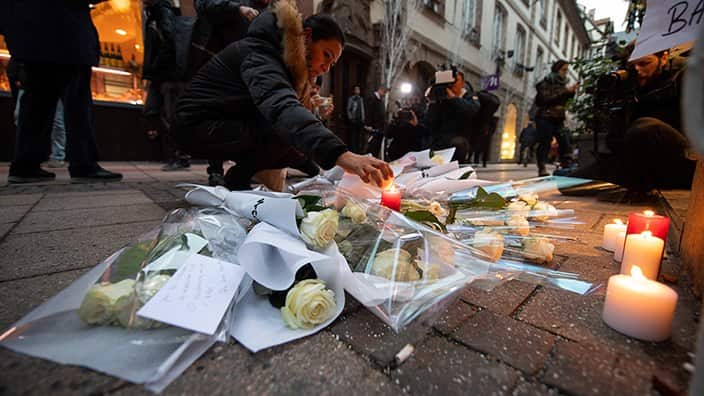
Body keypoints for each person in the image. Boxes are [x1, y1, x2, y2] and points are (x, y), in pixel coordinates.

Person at [171, 1, 392, 190]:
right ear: (306, 37)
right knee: (283, 131)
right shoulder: (263, 53)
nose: (326, 67)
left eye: (332, 63)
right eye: (326, 55)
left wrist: (324, 169)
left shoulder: (285, 63)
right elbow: (282, 110)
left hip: (224, 121)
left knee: (290, 142)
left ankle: (237, 180)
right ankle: (236, 182)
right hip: (194, 125)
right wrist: (342, 156)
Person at [4, 0, 122, 184]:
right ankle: (83, 164)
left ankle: (25, 164)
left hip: (30, 36)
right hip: (65, 33)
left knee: (36, 102)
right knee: (76, 102)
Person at [565, 50, 696, 192]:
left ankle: (634, 189)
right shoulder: (629, 87)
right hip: (632, 159)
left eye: (644, 63)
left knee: (646, 127)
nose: (637, 70)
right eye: (632, 65)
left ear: (663, 58)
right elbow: (616, 141)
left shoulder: (683, 78)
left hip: (677, 159)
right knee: (569, 185)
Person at [189, 0, 272, 186]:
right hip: (217, 59)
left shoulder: (264, 8)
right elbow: (204, 5)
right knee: (218, 113)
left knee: (247, 115)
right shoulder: (237, 6)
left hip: (247, 65)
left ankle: (241, 170)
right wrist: (237, 9)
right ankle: (216, 170)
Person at [534, 60, 578, 176]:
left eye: (566, 70)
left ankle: (566, 166)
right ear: (556, 69)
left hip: (558, 118)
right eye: (564, 70)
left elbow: (565, 102)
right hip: (545, 116)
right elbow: (544, 99)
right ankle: (542, 167)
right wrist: (565, 92)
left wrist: (571, 93)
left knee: (564, 141)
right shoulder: (547, 82)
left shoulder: (562, 84)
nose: (565, 73)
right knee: (545, 142)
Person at [425, 70, 475, 162]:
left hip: (458, 144)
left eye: (455, 80)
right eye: (450, 81)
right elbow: (429, 123)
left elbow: (470, 110)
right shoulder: (441, 99)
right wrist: (433, 102)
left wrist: (453, 98)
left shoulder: (469, 98)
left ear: (463, 83)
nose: (452, 84)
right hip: (438, 144)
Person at [364, 86, 388, 157]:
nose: (384, 95)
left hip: (379, 128)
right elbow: (368, 112)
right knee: (372, 148)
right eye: (384, 92)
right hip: (373, 128)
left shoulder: (380, 100)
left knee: (376, 148)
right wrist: (368, 125)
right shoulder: (372, 98)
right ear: (380, 90)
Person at [346, 85, 365, 153]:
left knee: (358, 136)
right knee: (353, 136)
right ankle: (352, 150)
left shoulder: (361, 99)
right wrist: (351, 118)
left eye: (358, 89)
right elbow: (348, 109)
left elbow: (362, 109)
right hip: (353, 120)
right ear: (354, 91)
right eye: (356, 89)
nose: (357, 91)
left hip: (360, 120)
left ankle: (358, 150)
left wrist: (363, 118)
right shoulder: (351, 99)